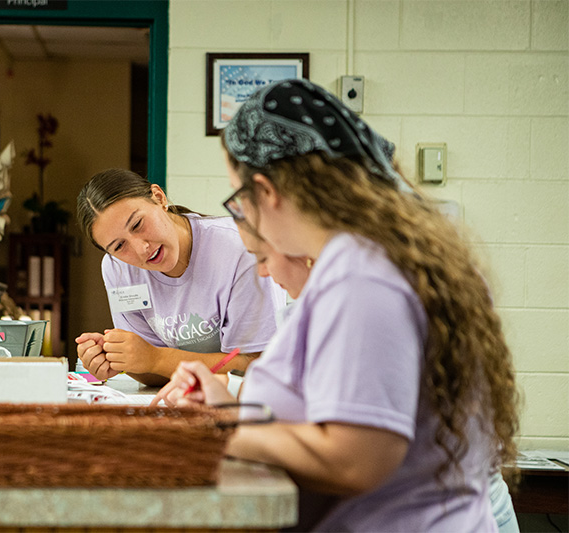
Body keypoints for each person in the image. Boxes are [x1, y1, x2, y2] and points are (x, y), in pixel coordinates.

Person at [155, 79, 520, 531]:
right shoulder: (381, 256)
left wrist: (223, 431)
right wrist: (225, 408)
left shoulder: (362, 273)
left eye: (238, 196)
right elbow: (329, 421)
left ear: (267, 192)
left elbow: (355, 459)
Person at [74, 168, 286, 386]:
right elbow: (152, 372)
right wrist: (118, 359)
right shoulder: (117, 269)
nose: (141, 248)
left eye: (138, 224)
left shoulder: (240, 249)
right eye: (119, 246)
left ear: (158, 197)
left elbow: (256, 366)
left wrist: (155, 358)